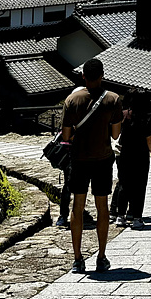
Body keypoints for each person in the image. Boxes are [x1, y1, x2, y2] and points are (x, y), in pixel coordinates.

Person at [60, 58, 123, 275]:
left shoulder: (72, 100)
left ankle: (78, 259)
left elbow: (66, 136)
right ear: (102, 76)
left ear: (83, 76)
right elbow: (115, 134)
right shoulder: (113, 99)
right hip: (102, 159)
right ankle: (101, 256)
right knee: (102, 206)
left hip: (79, 159)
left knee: (77, 206)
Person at [109, 89, 151, 229]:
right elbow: (149, 139)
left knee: (124, 184)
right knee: (139, 186)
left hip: (125, 154)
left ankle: (120, 216)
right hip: (140, 155)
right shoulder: (144, 117)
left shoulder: (123, 115)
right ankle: (136, 218)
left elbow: (116, 133)